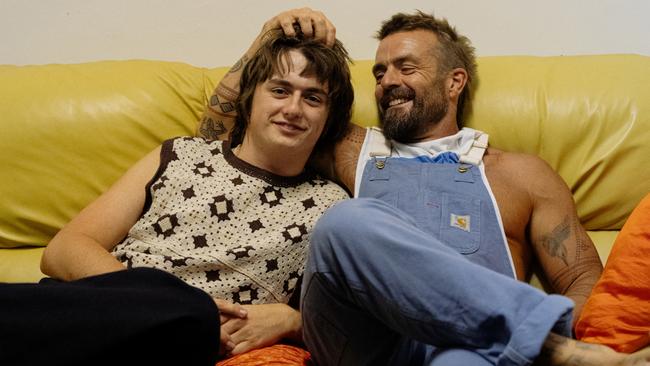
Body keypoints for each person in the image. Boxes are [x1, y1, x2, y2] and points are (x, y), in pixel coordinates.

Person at [199, 8, 650, 366]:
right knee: (344, 222)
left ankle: (537, 344)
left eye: (405, 67)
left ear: (455, 82)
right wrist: (265, 38)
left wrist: (573, 337)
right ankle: (539, 343)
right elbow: (220, 139)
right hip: (366, 342)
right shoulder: (347, 147)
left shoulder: (522, 173)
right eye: (379, 72)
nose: (387, 81)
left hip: (473, 347)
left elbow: (581, 279)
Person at [0, 25, 353, 366]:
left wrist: (293, 320)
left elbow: (354, 326)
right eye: (279, 90)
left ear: (328, 118)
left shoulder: (333, 207)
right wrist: (150, 301)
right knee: (188, 307)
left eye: (312, 98)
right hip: (92, 312)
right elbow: (64, 249)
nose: (293, 109)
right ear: (249, 100)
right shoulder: (180, 154)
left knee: (195, 318)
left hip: (190, 346)